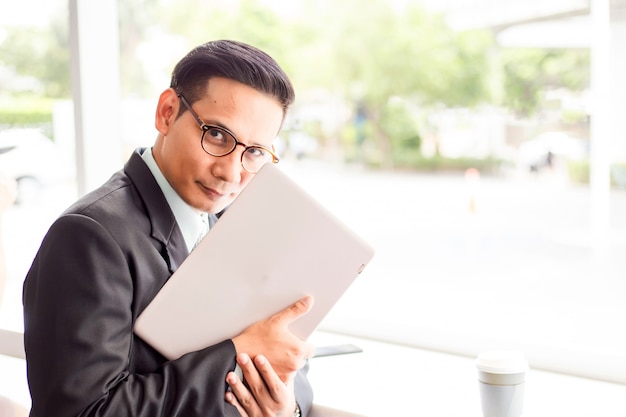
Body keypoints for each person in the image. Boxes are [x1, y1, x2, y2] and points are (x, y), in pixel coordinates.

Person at [23, 40, 314, 417]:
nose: (231, 172)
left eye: (255, 152)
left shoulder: (233, 223)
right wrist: (237, 352)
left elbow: (291, 362)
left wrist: (284, 406)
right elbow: (83, 411)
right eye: (217, 135)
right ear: (166, 112)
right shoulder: (88, 236)